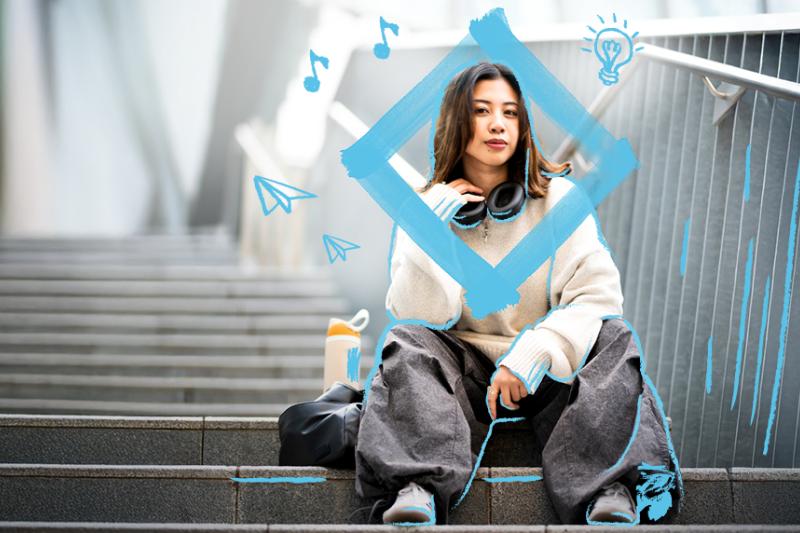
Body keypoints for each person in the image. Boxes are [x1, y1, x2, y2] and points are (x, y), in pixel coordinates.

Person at [353, 62, 682, 526]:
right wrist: (427, 227)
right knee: (406, 341)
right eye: (482, 111)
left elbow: (597, 295)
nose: (498, 124)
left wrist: (534, 352)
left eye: (509, 112)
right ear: (456, 122)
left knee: (613, 336)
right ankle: (417, 487)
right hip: (462, 373)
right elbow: (418, 313)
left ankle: (609, 489)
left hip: (546, 372)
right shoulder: (427, 210)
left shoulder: (560, 201)